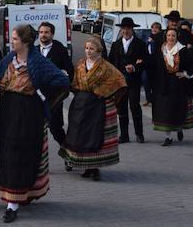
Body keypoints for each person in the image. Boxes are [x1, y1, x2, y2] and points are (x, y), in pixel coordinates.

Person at [0, 24, 69, 223]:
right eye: (12, 38)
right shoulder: (8, 59)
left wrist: (44, 99)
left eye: (14, 39)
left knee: (20, 154)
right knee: (6, 154)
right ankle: (18, 196)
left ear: (25, 42)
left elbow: (62, 81)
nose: (11, 41)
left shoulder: (37, 61)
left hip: (28, 114)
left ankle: (13, 204)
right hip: (7, 113)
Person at [62, 37, 127, 181]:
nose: (88, 51)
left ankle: (95, 168)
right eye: (86, 48)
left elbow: (120, 80)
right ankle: (86, 167)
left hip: (98, 104)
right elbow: (75, 83)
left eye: (91, 49)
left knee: (96, 135)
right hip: (82, 104)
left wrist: (104, 93)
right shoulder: (80, 65)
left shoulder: (106, 66)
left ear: (99, 50)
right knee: (82, 135)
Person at [150, 28, 193, 146]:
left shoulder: (182, 50)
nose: (170, 38)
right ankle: (168, 137)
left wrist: (185, 74)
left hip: (177, 84)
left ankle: (179, 129)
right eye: (168, 35)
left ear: (176, 37)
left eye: (173, 35)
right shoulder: (161, 50)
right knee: (165, 110)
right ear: (165, 37)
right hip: (163, 83)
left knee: (176, 109)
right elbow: (153, 64)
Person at [107, 17, 148, 143]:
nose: (126, 31)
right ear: (121, 29)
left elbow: (146, 61)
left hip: (134, 81)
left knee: (135, 106)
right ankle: (124, 135)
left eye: (128, 28)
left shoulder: (140, 44)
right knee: (121, 108)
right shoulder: (116, 44)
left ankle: (139, 134)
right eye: (124, 28)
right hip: (120, 82)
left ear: (132, 29)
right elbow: (111, 63)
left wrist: (135, 67)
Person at [36, 21, 74, 146]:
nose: (43, 35)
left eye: (46, 32)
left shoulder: (60, 49)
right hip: (36, 97)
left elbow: (69, 70)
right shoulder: (34, 51)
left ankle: (67, 153)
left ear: (52, 34)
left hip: (55, 97)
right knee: (35, 131)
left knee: (56, 129)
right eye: (41, 32)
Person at [142, 22, 162, 105]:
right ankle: (148, 98)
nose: (154, 29)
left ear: (159, 30)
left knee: (155, 83)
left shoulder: (161, 39)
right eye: (153, 27)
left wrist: (153, 42)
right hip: (147, 64)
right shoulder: (148, 37)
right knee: (146, 81)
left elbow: (157, 51)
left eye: (156, 27)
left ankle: (154, 99)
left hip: (156, 65)